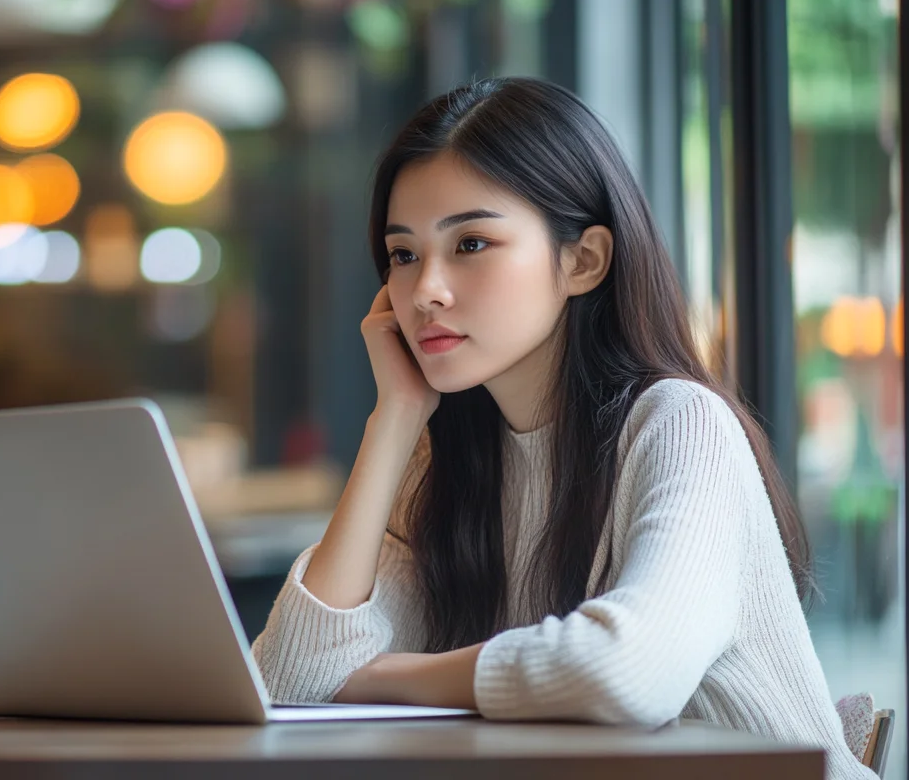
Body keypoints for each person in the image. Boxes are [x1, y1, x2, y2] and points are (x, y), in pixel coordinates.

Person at [252, 77, 875, 780]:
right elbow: (289, 682)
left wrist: (377, 678)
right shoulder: (447, 461)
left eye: (472, 243)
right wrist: (393, 419)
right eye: (403, 254)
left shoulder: (680, 424)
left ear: (583, 261)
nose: (425, 289)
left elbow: (627, 672)